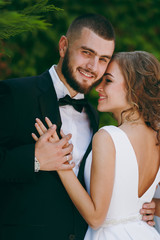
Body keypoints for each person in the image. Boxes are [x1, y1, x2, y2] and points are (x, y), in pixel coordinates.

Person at [0, 12, 155, 239]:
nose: (93, 66)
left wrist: (150, 208)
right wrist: (34, 159)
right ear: (64, 46)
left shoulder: (94, 115)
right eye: (87, 53)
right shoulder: (16, 94)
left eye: (103, 59)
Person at [34, 51, 160, 239]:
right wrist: (155, 206)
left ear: (137, 88)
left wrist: (61, 162)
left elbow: (95, 218)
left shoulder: (108, 137)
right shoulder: (156, 136)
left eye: (107, 81)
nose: (97, 88)